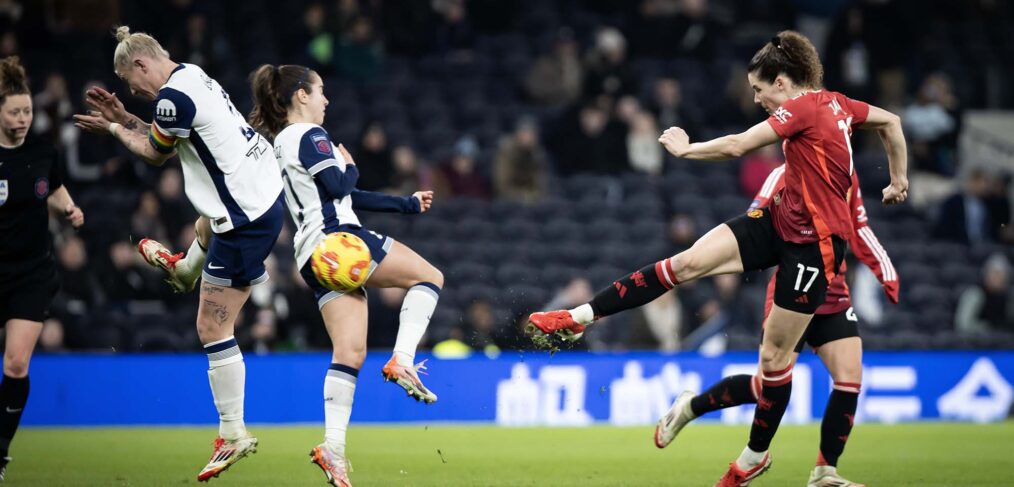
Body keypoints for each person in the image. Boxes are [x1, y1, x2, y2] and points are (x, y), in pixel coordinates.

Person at [527, 31, 908, 486]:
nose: (757, 98)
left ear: (783, 82)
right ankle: (579, 315)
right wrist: (898, 180)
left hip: (815, 249)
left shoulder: (803, 107)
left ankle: (756, 458)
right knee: (686, 264)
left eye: (759, 89)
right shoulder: (839, 105)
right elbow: (891, 123)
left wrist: (688, 149)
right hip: (777, 223)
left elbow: (737, 146)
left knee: (774, 360)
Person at [72, 27, 284, 481]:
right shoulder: (191, 75)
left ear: (142, 64)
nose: (134, 91)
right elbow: (165, 134)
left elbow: (153, 153)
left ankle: (233, 433)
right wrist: (129, 115)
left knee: (211, 326)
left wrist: (113, 125)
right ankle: (185, 269)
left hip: (245, 217)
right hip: (260, 195)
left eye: (131, 83)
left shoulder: (171, 99)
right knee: (203, 222)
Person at [248, 63, 444, 486]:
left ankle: (332, 449)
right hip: (340, 243)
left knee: (350, 354)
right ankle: (404, 360)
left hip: (312, 260)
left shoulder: (280, 144)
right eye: (320, 92)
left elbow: (344, 193)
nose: (326, 100)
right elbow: (341, 186)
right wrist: (347, 163)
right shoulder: (311, 136)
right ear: (301, 95)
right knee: (430, 278)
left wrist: (406, 204)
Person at [655, 164, 899, 487]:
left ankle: (825, 473)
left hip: (833, 291)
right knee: (766, 385)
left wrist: (884, 268)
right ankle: (690, 407)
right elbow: (754, 226)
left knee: (850, 376)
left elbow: (860, 226)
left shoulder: (846, 173)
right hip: (792, 291)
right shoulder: (785, 174)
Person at [0, 55, 84, 481]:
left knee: (16, 364)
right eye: (14, 112)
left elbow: (51, 187)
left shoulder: (41, 151)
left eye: (27, 111)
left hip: (31, 272)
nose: (22, 119)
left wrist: (69, 207)